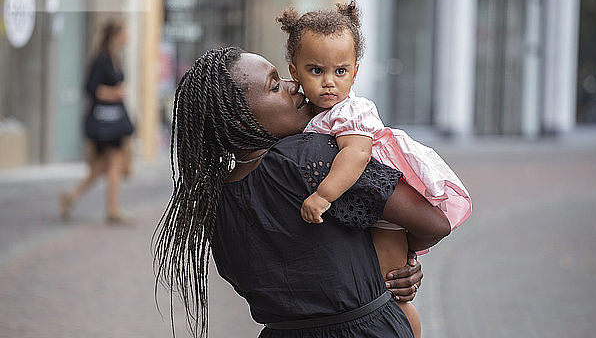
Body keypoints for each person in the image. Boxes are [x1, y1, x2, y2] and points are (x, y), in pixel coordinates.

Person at [153, 47, 451, 338]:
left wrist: (380, 267)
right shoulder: (309, 159)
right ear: (240, 118)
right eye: (274, 85)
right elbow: (435, 223)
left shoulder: (213, 202)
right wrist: (399, 263)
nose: (293, 85)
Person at [276, 0, 472, 337]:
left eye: (340, 71)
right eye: (315, 70)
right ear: (294, 71)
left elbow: (355, 155)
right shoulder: (309, 112)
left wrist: (323, 196)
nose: (328, 82)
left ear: (355, 71)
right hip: (361, 211)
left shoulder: (350, 111)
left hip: (384, 210)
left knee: (388, 291)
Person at [59, 20, 134, 224]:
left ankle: (72, 196)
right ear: (115, 35)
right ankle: (112, 209)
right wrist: (114, 93)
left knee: (104, 165)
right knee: (113, 164)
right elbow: (91, 88)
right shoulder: (101, 60)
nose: (127, 37)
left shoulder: (116, 58)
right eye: (124, 33)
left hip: (114, 120)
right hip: (106, 122)